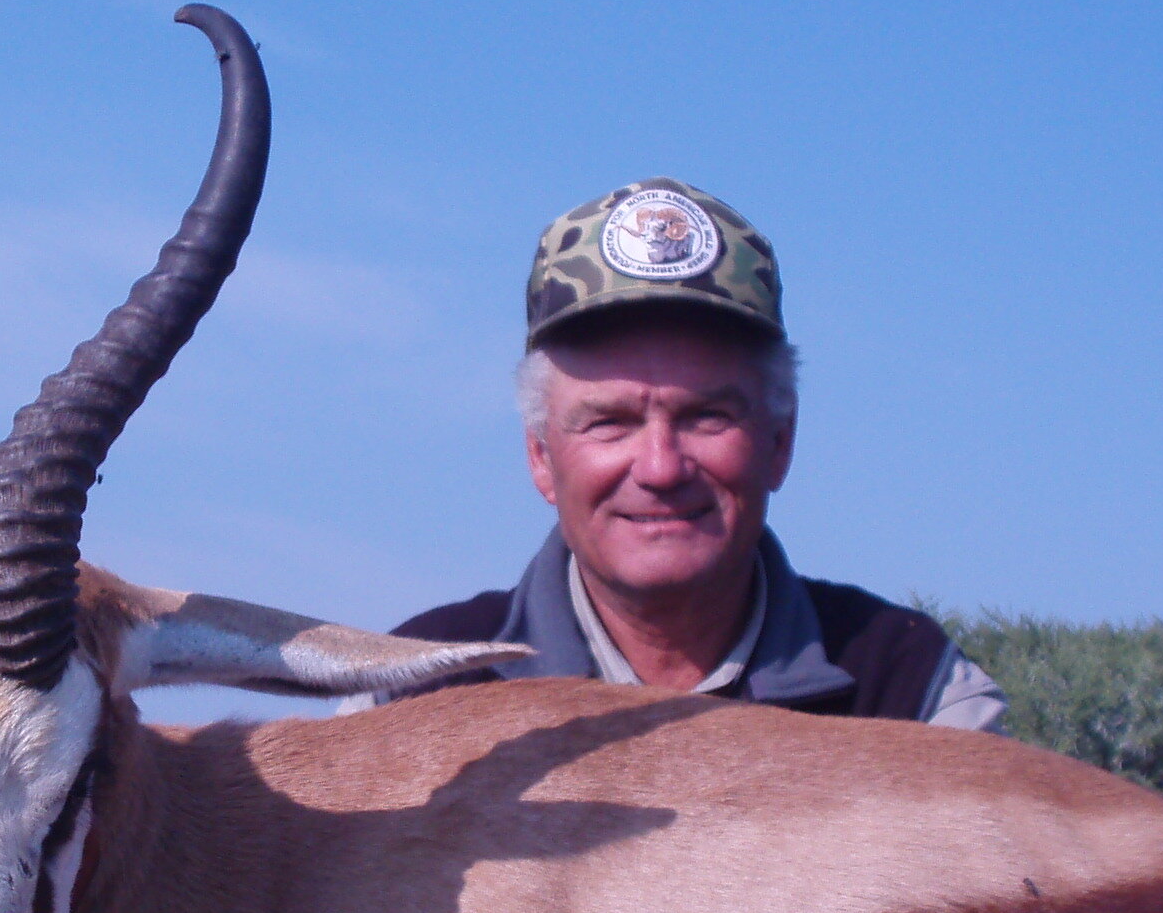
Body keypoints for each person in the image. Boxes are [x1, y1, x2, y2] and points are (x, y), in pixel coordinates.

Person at [390, 180, 1007, 726]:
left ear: (780, 443)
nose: (660, 467)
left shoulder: (917, 697)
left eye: (707, 417)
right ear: (540, 457)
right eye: (610, 422)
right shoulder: (406, 701)